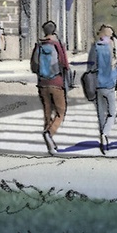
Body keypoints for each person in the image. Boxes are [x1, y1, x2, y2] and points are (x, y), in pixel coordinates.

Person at [32, 20, 71, 154]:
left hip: (42, 84)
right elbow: (65, 64)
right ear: (54, 31)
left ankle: (50, 146)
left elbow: (33, 66)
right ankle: (49, 134)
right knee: (60, 112)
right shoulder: (57, 44)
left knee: (47, 114)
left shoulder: (39, 45)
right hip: (57, 83)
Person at [87, 24, 117, 153]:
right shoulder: (115, 48)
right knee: (113, 112)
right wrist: (114, 74)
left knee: (101, 113)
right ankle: (105, 134)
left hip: (97, 84)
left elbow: (90, 66)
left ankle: (102, 138)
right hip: (110, 84)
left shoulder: (96, 47)